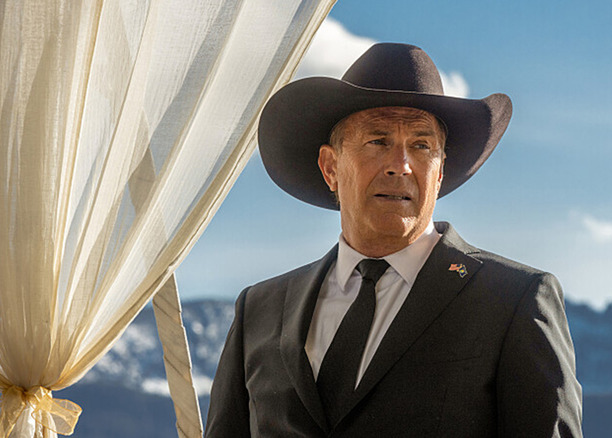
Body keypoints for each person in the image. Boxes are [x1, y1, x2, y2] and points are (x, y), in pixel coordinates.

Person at [205, 43, 582, 437]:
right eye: (378, 141)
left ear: (439, 174)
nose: (400, 166)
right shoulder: (259, 310)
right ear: (331, 167)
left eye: (421, 146)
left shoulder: (513, 301)